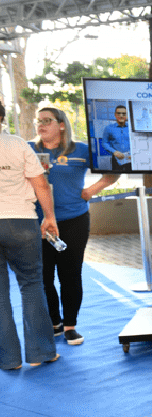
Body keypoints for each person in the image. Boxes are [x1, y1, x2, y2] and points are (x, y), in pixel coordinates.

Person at [30, 107, 117, 346]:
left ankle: (70, 326)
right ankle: (54, 322)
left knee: (70, 275)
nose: (41, 125)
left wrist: (91, 191)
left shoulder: (80, 150)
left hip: (74, 221)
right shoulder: (28, 149)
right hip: (37, 224)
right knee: (43, 277)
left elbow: (113, 171)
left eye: (46, 120)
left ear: (61, 124)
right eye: (38, 121)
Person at [0, 102, 60, 369]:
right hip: (21, 222)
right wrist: (49, 218)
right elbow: (40, 184)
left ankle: (8, 359)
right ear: (2, 118)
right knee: (32, 284)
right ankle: (42, 352)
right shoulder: (18, 145)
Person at [101, 104, 131, 171]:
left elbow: (136, 142)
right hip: (116, 159)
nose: (121, 116)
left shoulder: (131, 128)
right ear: (115, 115)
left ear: (126, 115)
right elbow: (104, 143)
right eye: (118, 113)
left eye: (123, 114)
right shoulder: (108, 128)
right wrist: (114, 152)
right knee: (115, 176)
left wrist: (132, 153)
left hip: (130, 158)